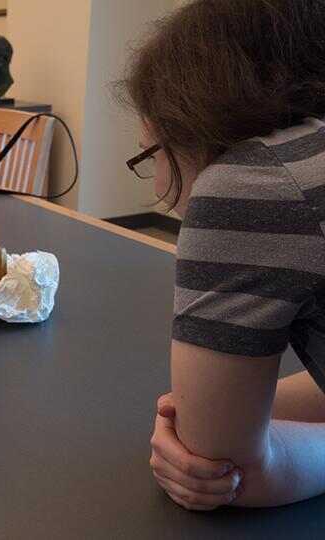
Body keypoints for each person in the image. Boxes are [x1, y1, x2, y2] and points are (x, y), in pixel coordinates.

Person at [120, 0, 325, 510]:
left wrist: (210, 426)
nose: (161, 182)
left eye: (150, 156)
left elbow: (230, 472)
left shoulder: (255, 183)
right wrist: (236, 409)